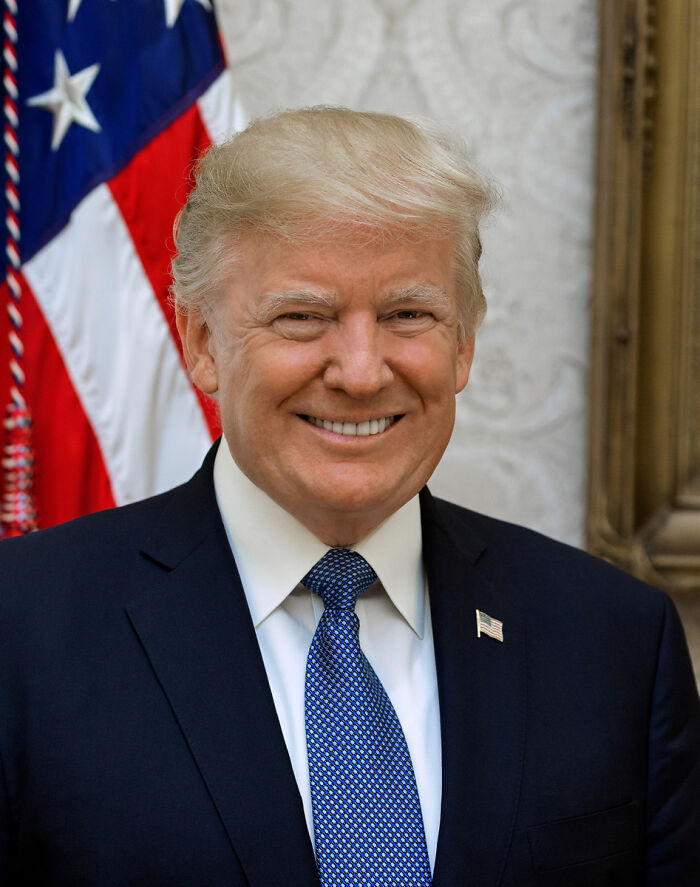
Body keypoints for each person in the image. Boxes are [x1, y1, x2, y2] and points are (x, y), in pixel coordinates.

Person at [0, 107, 698, 887]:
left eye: (409, 315)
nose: (362, 371)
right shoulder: (21, 629)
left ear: (463, 343)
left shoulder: (615, 641)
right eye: (303, 318)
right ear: (201, 342)